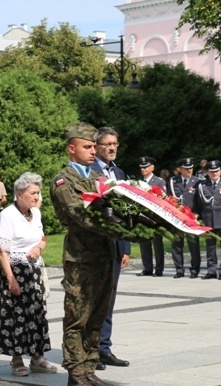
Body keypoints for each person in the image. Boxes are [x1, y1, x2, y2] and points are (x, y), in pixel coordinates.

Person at [49, 122, 118, 386]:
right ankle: (76, 375)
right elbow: (82, 215)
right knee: (78, 317)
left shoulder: (95, 177)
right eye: (87, 147)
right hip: (81, 259)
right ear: (71, 148)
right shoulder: (64, 181)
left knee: (97, 316)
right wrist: (118, 224)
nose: (93, 151)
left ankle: (89, 369)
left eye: (94, 147)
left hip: (104, 255)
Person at [0, 172, 56, 376]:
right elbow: (2, 249)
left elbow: (43, 238)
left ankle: (38, 357)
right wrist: (10, 279)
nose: (37, 197)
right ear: (19, 193)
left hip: (35, 270)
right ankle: (17, 358)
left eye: (38, 193)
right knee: (17, 315)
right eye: (33, 193)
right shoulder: (7, 215)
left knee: (38, 313)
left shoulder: (35, 213)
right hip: (16, 270)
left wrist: (39, 248)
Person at [90, 127, 130, 371]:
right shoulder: (89, 171)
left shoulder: (118, 171)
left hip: (115, 245)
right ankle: (91, 349)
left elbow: (125, 211)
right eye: (107, 144)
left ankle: (104, 347)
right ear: (97, 147)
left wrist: (124, 246)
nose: (112, 148)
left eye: (115, 143)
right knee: (95, 299)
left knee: (110, 298)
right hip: (96, 245)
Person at [194, 160, 221, 280]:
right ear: (207, 172)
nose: (214, 173)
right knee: (210, 247)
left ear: (220, 171)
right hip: (209, 219)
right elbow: (198, 203)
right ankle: (211, 271)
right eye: (211, 171)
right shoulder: (202, 185)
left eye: (216, 171)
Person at [167, 158, 201, 279]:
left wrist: (197, 215)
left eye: (191, 168)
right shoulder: (173, 181)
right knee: (176, 244)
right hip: (177, 217)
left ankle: (195, 269)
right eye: (186, 168)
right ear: (180, 169)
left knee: (193, 244)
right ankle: (179, 269)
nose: (189, 170)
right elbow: (169, 198)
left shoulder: (197, 181)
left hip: (191, 217)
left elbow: (199, 201)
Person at [137, 156, 166, 277]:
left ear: (152, 168)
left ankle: (159, 268)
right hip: (142, 216)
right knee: (144, 243)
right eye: (141, 167)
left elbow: (164, 199)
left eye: (146, 167)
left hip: (155, 216)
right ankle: (147, 268)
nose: (143, 169)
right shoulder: (138, 182)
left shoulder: (159, 181)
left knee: (157, 243)